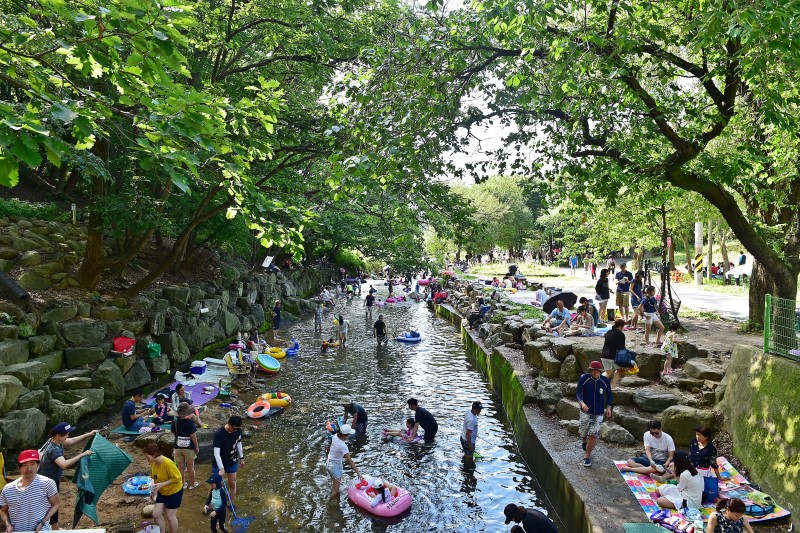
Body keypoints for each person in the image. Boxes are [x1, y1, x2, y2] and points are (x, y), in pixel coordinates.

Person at [38, 423, 96, 529]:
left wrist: (89, 434)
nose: (68, 436)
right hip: (47, 482)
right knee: (53, 505)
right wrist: (82, 454)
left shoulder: (56, 440)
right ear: (59, 435)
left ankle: (54, 526)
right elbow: (64, 464)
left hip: (51, 479)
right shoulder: (53, 449)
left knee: (53, 504)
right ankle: (54, 527)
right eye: (66, 434)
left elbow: (73, 440)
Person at [0, 450, 59, 533]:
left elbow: (56, 504)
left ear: (38, 465)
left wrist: (42, 523)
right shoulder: (8, 489)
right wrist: (8, 524)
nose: (29, 469)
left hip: (41, 530)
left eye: (32, 464)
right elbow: (3, 511)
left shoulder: (47, 483)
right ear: (19, 467)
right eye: (25, 465)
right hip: (17, 531)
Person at [576, 360, 613, 468]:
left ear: (600, 371)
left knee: (593, 434)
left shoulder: (605, 380)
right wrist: (582, 403)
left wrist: (609, 407)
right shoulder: (584, 378)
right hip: (585, 411)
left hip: (598, 413)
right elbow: (578, 392)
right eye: (594, 371)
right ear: (590, 370)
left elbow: (609, 395)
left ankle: (586, 457)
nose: (596, 373)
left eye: (598, 371)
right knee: (583, 432)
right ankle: (584, 440)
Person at [143, 442, 183, 533]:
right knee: (156, 514)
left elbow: (178, 477)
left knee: (170, 516)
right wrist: (153, 492)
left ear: (154, 455)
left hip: (174, 492)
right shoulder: (154, 463)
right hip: (163, 492)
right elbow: (155, 478)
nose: (147, 459)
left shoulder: (168, 463)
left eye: (147, 457)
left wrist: (162, 484)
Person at [212, 416, 244, 501]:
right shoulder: (219, 434)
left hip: (232, 461)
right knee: (215, 485)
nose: (235, 430)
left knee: (232, 483)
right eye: (234, 428)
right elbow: (216, 453)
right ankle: (210, 504)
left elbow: (239, 444)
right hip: (218, 463)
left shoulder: (238, 431)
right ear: (229, 424)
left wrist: (241, 458)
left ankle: (231, 503)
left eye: (237, 428)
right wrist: (221, 468)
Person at [327, 424, 362, 496]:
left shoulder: (335, 436)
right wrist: (358, 473)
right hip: (335, 466)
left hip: (328, 463)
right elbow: (350, 461)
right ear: (346, 435)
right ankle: (332, 505)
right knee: (335, 493)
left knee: (335, 482)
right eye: (348, 434)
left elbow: (331, 447)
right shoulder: (343, 446)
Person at [172, 402, 200, 490]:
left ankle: (182, 484)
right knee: (190, 467)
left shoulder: (174, 423)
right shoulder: (190, 423)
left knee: (180, 468)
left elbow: (174, 434)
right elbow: (193, 436)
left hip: (177, 448)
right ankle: (192, 484)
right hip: (189, 448)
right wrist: (196, 446)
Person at [600, 319, 627, 388]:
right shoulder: (621, 334)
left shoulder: (608, 332)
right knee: (619, 370)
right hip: (612, 356)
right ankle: (613, 386)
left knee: (608, 372)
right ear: (621, 326)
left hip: (603, 355)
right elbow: (621, 348)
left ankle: (598, 384)